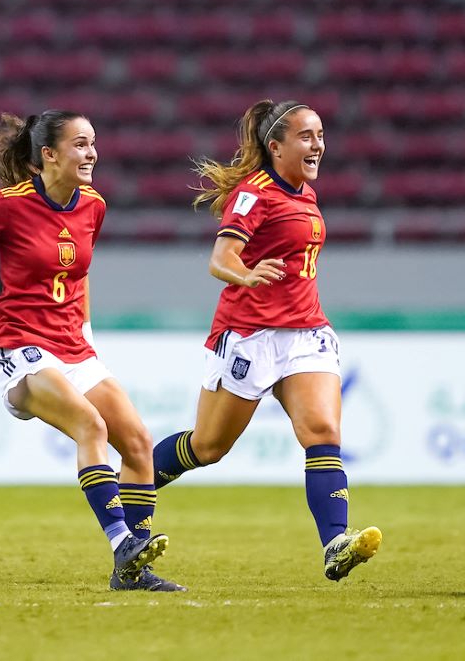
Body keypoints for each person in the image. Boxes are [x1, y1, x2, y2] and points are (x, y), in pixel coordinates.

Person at [0, 110, 183, 592]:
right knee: (90, 426)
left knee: (137, 443)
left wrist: (87, 333)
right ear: (49, 155)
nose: (91, 152)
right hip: (20, 346)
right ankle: (122, 541)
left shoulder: (93, 204)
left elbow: (80, 275)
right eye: (80, 144)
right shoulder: (7, 204)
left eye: (93, 142)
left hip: (74, 347)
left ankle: (132, 571)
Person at [151, 99, 382, 582]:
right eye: (306, 136)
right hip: (251, 335)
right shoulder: (254, 194)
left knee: (322, 432)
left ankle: (335, 544)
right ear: (275, 146)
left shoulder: (303, 193)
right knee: (208, 447)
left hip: (306, 333)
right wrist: (248, 274)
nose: (317, 144)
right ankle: (132, 485)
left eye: (320, 134)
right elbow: (219, 259)